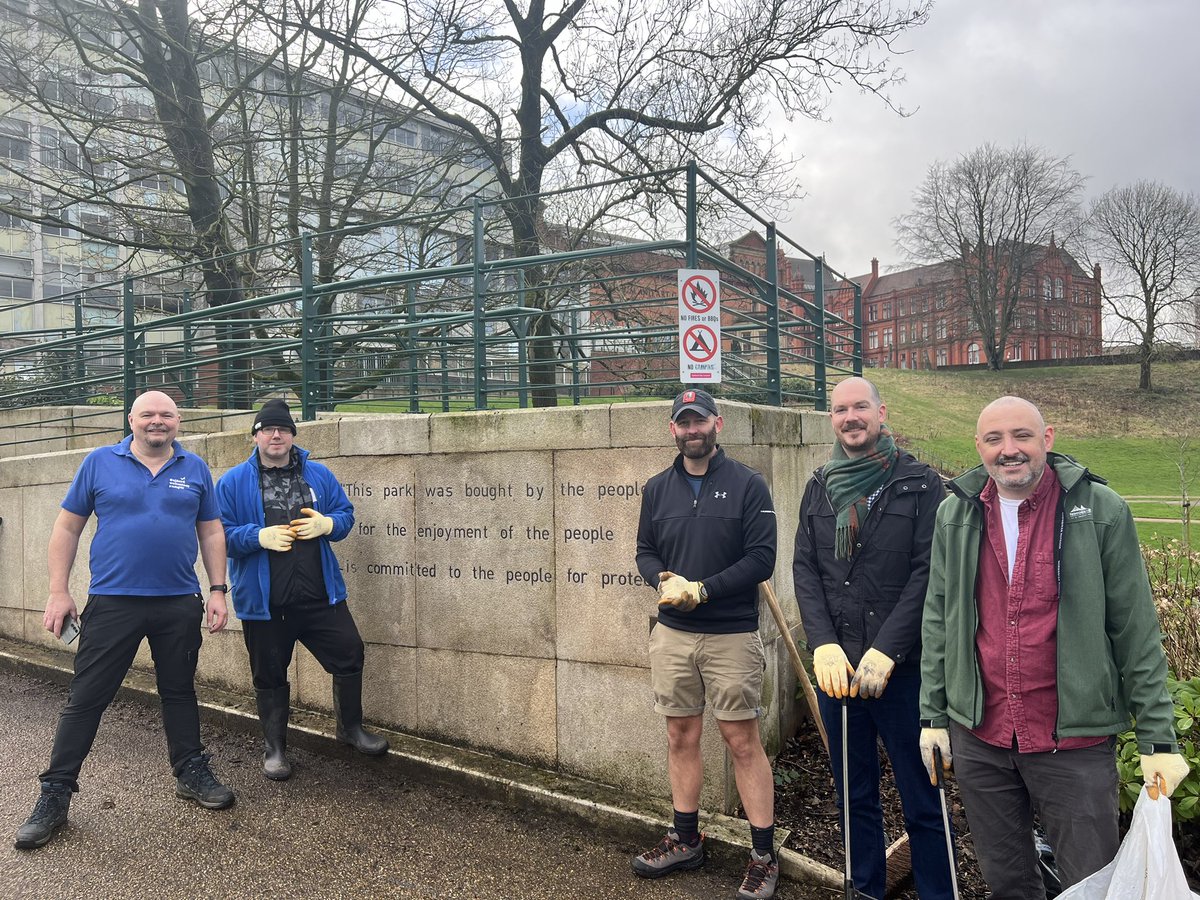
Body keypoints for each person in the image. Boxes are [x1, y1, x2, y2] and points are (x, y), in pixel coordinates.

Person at [919, 396, 1189, 899]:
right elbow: (939, 619)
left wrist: (1157, 740)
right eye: (995, 439)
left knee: (1093, 883)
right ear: (978, 446)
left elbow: (1136, 631)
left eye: (1022, 435)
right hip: (982, 736)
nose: (1009, 450)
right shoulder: (954, 514)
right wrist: (933, 717)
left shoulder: (1101, 511)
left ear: (1048, 438)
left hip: (1073, 742)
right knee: (1008, 882)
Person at [14, 391, 233, 851]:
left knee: (179, 691)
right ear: (131, 419)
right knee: (87, 698)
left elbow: (211, 530)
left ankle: (189, 770)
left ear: (178, 421)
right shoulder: (99, 462)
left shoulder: (194, 469)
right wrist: (58, 591)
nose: (158, 421)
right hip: (113, 602)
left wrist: (217, 589)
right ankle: (55, 793)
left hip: (179, 602)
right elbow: (67, 527)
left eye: (167, 415)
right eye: (148, 414)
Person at [792, 377, 954, 900]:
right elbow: (805, 569)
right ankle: (865, 889)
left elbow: (929, 574)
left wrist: (889, 648)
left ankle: (937, 892)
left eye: (860, 407)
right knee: (852, 795)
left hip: (902, 674)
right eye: (840, 409)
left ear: (881, 412)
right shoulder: (820, 484)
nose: (850, 417)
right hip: (839, 673)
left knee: (923, 797)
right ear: (832, 418)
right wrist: (822, 642)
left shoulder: (922, 484)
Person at [632, 388, 780, 900]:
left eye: (700, 421)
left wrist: (704, 589)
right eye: (683, 423)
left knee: (742, 741)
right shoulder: (656, 488)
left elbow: (762, 560)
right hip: (673, 633)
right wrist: (665, 582)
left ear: (718, 425)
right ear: (673, 430)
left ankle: (763, 853)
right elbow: (645, 551)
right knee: (680, 735)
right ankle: (686, 839)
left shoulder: (748, 485)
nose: (692, 430)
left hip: (731, 634)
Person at [216, 399, 387, 781]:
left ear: (293, 434)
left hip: (318, 595)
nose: (276, 435)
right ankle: (275, 748)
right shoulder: (232, 482)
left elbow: (345, 516)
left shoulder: (320, 474)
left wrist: (328, 524)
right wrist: (257, 536)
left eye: (283, 429)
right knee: (270, 673)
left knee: (349, 652)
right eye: (267, 429)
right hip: (266, 602)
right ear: (255, 436)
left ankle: (349, 728)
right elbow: (219, 536)